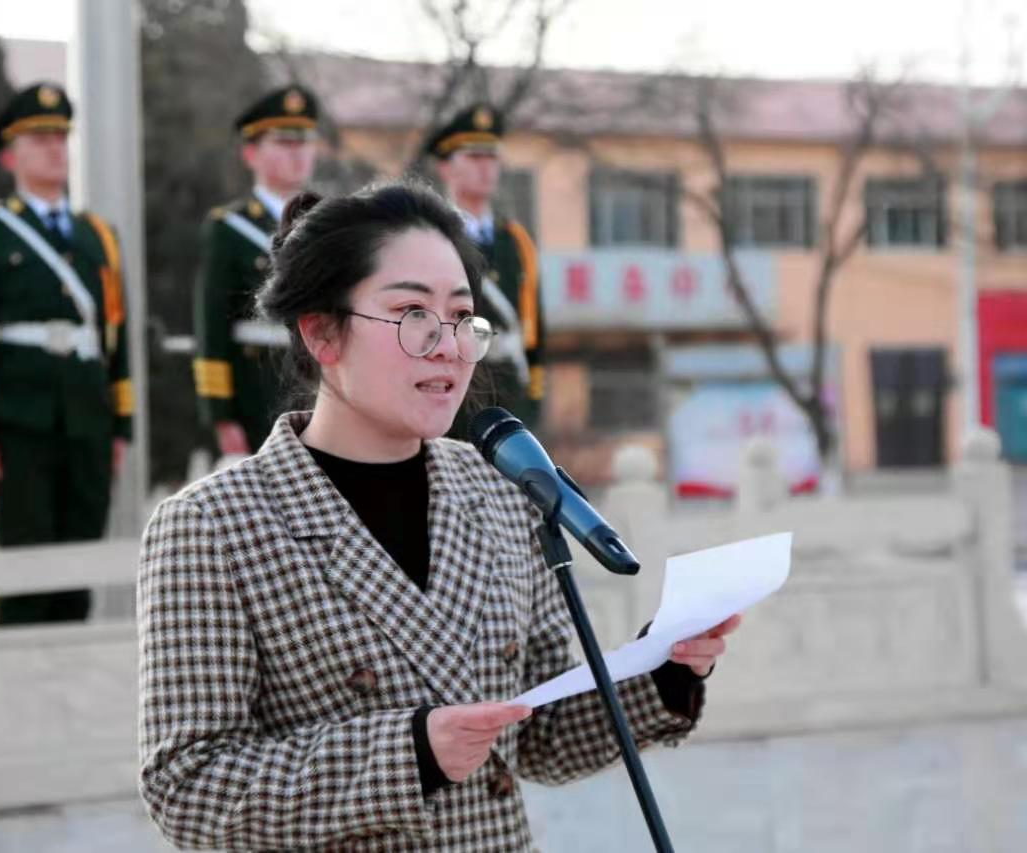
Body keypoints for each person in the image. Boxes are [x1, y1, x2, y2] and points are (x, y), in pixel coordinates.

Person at [137, 181, 741, 850]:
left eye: (461, 317)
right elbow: (188, 789)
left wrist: (662, 671)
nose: (449, 345)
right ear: (322, 332)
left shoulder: (500, 492)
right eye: (412, 314)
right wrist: (411, 752)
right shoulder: (213, 526)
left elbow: (538, 735)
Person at [0, 82, 132, 626]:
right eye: (38, 139)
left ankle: (67, 679)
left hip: (87, 421)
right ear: (10, 157)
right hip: (18, 422)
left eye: (60, 137)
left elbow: (113, 334)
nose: (54, 149)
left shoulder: (99, 236)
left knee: (78, 573)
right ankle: (15, 676)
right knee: (24, 572)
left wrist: (120, 425)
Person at [192, 84, 321, 456]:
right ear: (251, 153)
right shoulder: (228, 228)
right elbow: (212, 326)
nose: (297, 153)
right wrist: (221, 415)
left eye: (304, 142)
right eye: (283, 143)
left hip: (319, 388)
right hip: (256, 391)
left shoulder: (332, 223)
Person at [426, 103, 545, 431]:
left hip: (511, 396)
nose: (486, 168)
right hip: (454, 396)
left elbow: (533, 328)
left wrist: (533, 397)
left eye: (492, 157)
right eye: (474, 157)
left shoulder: (517, 240)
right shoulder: (432, 237)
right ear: (446, 168)